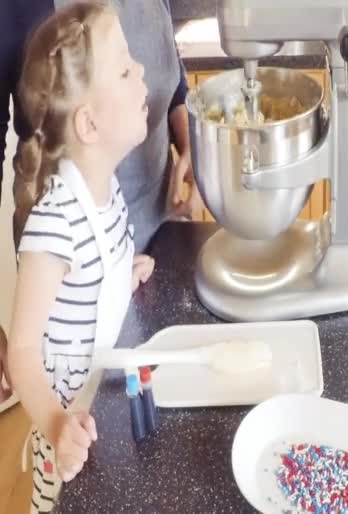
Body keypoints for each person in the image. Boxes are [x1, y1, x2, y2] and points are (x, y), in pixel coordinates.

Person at [7, 3, 156, 511]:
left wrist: (120, 275)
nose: (141, 73)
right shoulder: (55, 223)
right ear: (89, 124)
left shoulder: (106, 189)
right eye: (123, 68)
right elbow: (23, 350)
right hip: (68, 426)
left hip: (102, 402)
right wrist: (54, 425)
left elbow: (87, 288)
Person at [1, 0, 195, 252]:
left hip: (162, 220)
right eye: (125, 71)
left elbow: (168, 64)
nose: (140, 71)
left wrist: (191, 148)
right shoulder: (51, 233)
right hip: (73, 252)